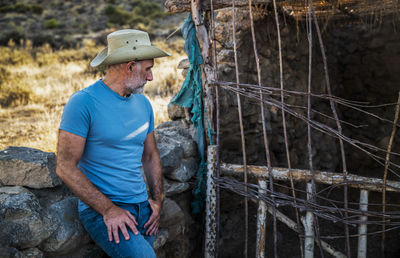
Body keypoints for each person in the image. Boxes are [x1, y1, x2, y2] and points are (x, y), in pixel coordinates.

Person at [56, 29, 170, 258]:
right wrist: (109, 210)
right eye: (148, 69)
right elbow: (65, 166)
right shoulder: (83, 103)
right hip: (105, 210)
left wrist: (157, 202)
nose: (151, 78)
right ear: (130, 66)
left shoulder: (143, 104)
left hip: (142, 209)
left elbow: (150, 156)